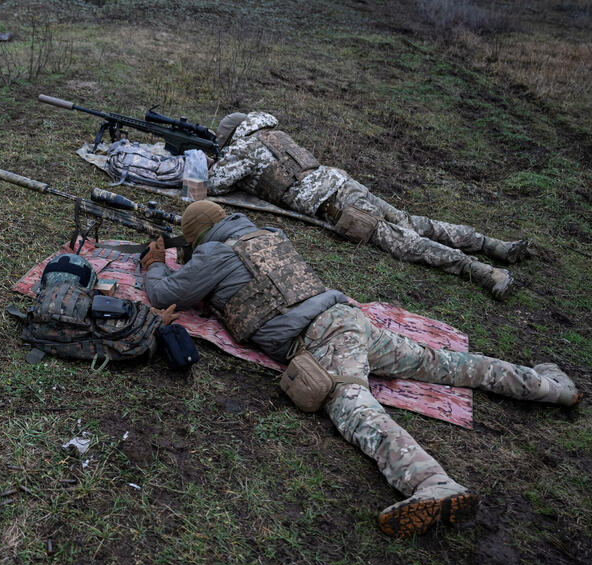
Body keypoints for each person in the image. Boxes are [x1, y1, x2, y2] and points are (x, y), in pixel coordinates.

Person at [141, 200, 581, 537]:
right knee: (445, 363)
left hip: (319, 339)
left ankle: (432, 484)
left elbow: (165, 296)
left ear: (196, 236)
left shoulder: (212, 255)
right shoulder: (266, 234)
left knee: (354, 408)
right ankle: (553, 387)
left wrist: (156, 264)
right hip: (348, 318)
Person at [208, 112, 529, 299]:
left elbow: (216, 184)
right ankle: (494, 245)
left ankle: (485, 272)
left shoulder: (242, 149)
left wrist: (213, 160)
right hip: (344, 184)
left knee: (407, 244)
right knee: (414, 222)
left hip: (335, 206)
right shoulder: (273, 134)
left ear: (232, 136)